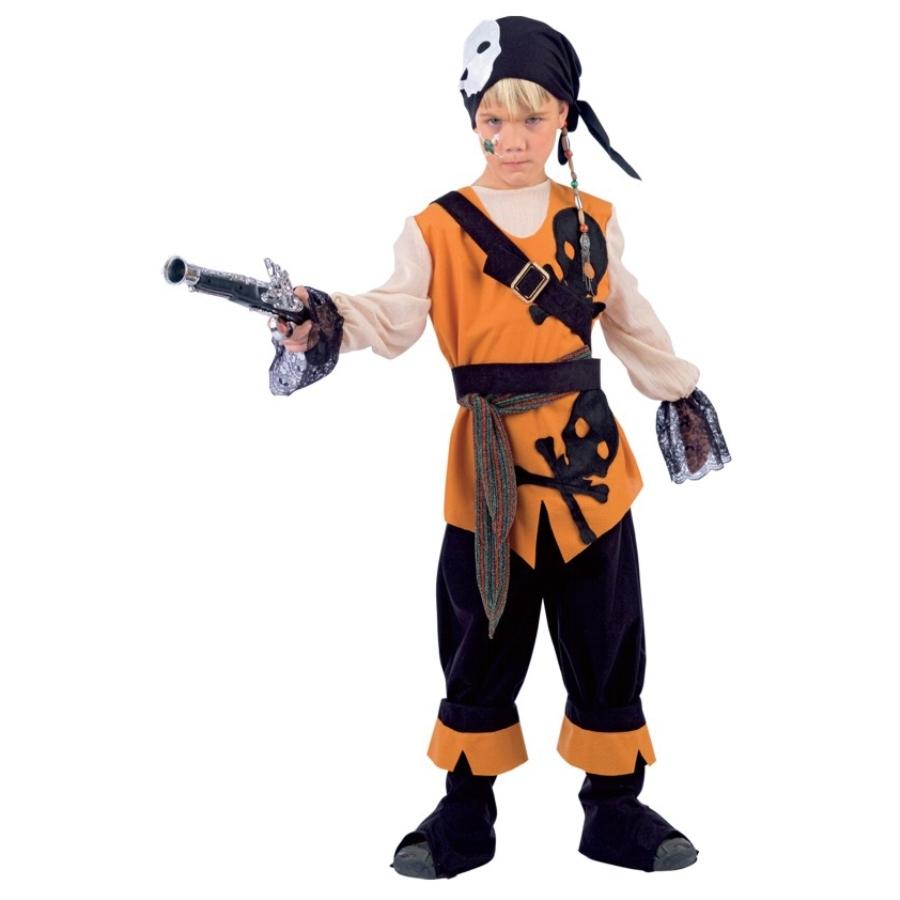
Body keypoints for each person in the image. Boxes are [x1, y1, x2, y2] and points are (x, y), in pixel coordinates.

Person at [270, 15, 731, 879]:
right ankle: (464, 811)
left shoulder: (592, 221)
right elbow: (391, 313)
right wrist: (322, 317)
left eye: (532, 116)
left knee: (607, 635)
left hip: (591, 472)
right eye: (493, 118)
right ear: (471, 118)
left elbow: (631, 321)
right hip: (487, 474)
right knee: (479, 637)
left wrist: (678, 389)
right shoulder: (437, 228)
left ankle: (615, 808)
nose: (511, 138)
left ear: (565, 118)